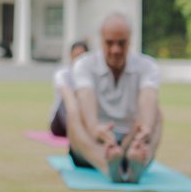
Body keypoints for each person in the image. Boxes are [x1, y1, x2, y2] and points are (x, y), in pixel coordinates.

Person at [67, 13, 163, 183]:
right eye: (109, 43)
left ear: (130, 41)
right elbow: (85, 96)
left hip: (131, 142)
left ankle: (139, 164)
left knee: (158, 113)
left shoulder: (148, 66)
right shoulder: (84, 64)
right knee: (73, 111)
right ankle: (106, 166)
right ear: (101, 40)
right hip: (94, 144)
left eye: (122, 43)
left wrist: (144, 130)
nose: (116, 50)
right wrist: (94, 128)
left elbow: (148, 96)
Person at [48, 40, 90, 137]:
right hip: (61, 121)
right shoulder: (62, 74)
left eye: (82, 56)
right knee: (67, 99)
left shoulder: (91, 76)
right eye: (76, 56)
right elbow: (68, 96)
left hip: (82, 119)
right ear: (71, 56)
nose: (78, 60)